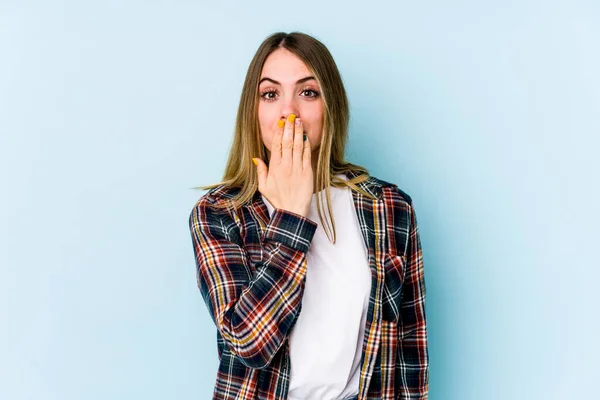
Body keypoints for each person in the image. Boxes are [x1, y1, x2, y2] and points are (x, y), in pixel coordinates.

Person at [188, 31, 429, 400]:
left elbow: (410, 347)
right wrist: (291, 216)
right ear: (253, 111)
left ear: (329, 104)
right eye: (270, 94)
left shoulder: (388, 206)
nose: (289, 112)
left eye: (308, 92)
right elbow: (251, 344)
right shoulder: (220, 213)